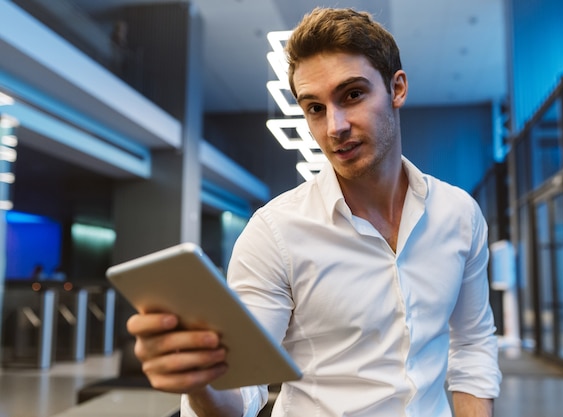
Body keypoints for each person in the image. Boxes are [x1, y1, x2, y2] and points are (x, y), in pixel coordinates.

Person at [127, 7, 502, 417]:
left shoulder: (459, 215)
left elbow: (472, 345)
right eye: (314, 108)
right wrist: (201, 382)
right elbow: (240, 391)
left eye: (352, 95)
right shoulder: (275, 232)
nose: (334, 127)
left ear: (397, 89)